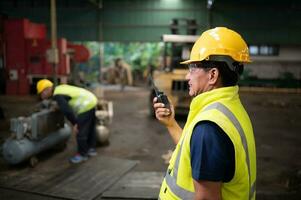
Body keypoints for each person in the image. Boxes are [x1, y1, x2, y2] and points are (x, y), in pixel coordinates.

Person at [153, 27, 256, 200]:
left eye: (193, 68)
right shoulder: (230, 109)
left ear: (213, 75)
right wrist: (171, 123)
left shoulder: (209, 127)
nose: (187, 77)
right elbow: (195, 153)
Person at [36, 79, 98, 164]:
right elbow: (68, 98)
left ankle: (82, 154)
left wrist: (75, 123)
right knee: (90, 127)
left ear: (48, 89)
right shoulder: (60, 88)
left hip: (85, 105)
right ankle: (91, 149)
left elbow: (67, 111)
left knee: (80, 132)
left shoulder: (58, 95)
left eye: (42, 93)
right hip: (91, 99)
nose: (42, 96)